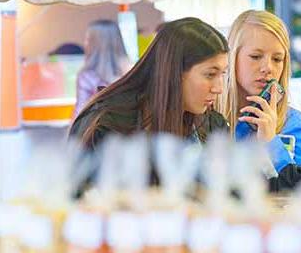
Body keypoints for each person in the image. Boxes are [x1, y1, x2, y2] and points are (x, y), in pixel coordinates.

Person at [69, 18, 230, 193]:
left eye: (222, 74)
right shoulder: (107, 125)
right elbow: (78, 199)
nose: (219, 88)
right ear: (174, 72)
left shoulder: (212, 126)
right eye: (210, 74)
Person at [218, 10, 301, 192]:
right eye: (256, 57)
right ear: (232, 58)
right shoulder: (210, 119)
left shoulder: (295, 123)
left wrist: (271, 141)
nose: (268, 68)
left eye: (277, 59)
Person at [74, 20, 131, 116]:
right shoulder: (132, 71)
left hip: (97, 129)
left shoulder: (87, 76)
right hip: (130, 129)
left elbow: (79, 113)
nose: (84, 43)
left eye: (88, 39)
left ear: (96, 44)